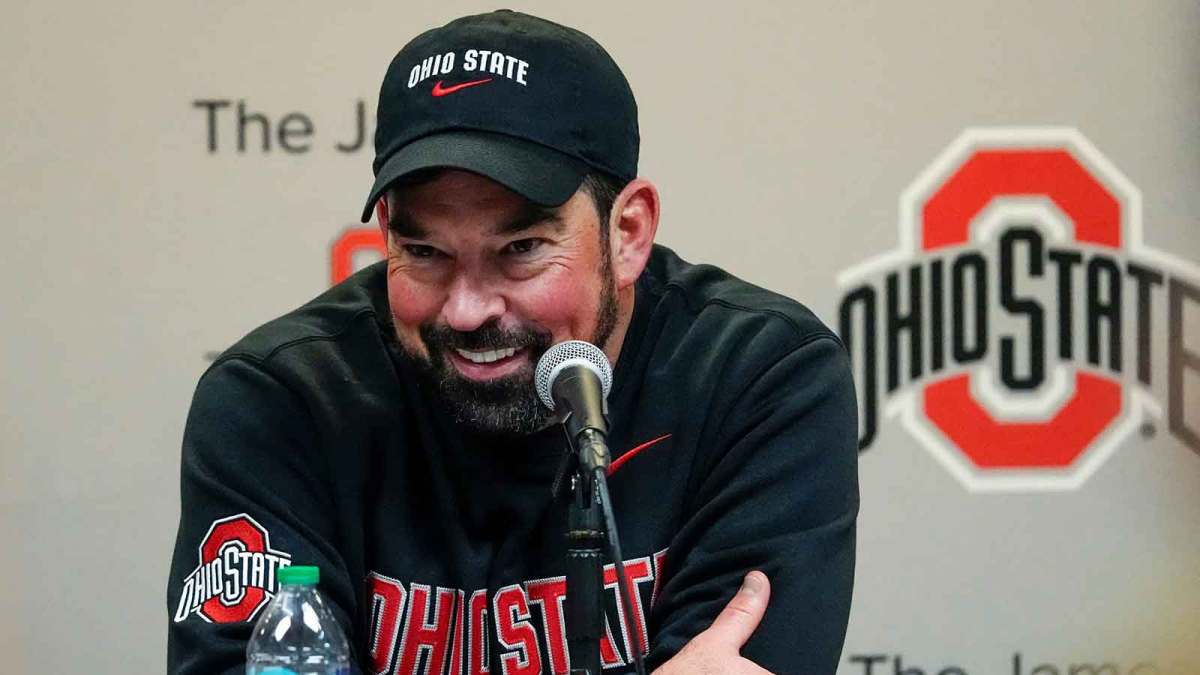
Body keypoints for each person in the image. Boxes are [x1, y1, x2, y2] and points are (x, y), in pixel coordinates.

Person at [167, 9, 858, 675]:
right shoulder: (283, 401)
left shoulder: (760, 381)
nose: (466, 310)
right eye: (424, 250)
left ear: (629, 233)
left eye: (521, 248)